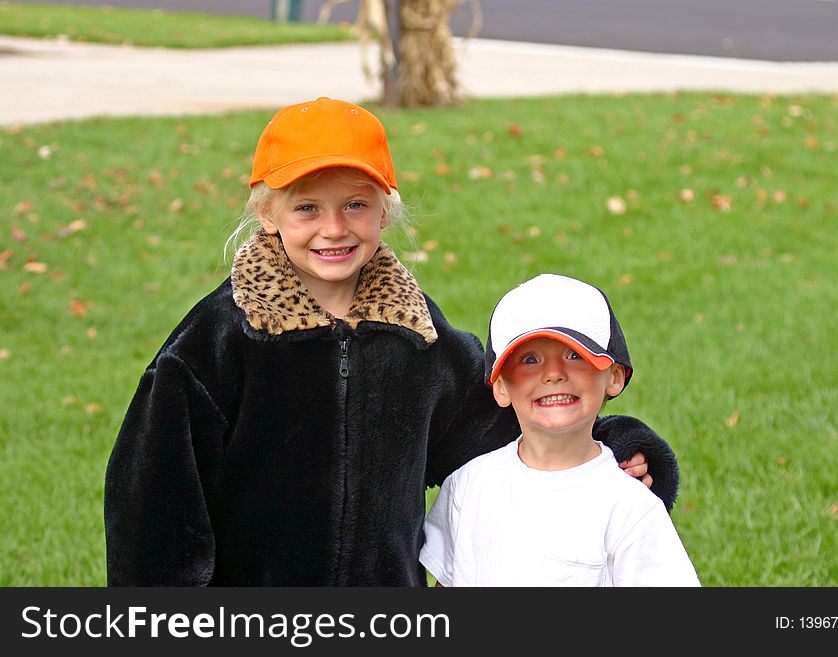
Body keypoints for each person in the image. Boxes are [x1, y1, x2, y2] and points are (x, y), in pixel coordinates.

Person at [104, 97, 681, 586]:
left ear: (386, 210)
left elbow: (502, 422)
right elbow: (153, 505)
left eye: (355, 204)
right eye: (308, 207)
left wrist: (616, 443)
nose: (334, 228)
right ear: (268, 212)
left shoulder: (417, 337)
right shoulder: (217, 344)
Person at [420, 274, 700, 586]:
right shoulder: (468, 486)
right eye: (529, 359)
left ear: (615, 376)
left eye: (575, 355)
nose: (553, 373)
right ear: (500, 387)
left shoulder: (629, 507)